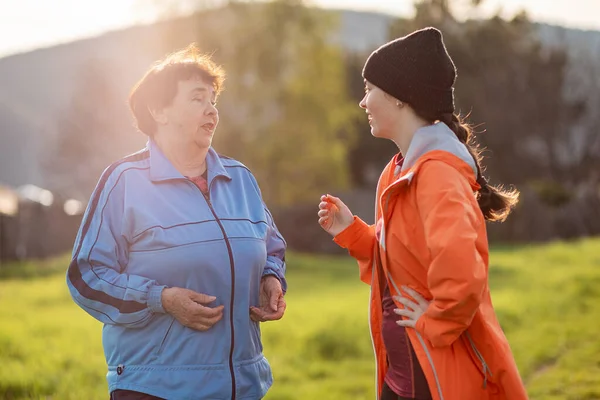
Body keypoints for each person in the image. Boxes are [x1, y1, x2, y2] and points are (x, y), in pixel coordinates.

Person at [66, 44, 287, 400]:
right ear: (159, 110)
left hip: (241, 386)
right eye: (198, 99)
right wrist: (160, 298)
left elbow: (272, 247)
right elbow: (86, 276)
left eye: (214, 100)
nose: (212, 111)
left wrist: (271, 277)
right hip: (153, 387)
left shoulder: (241, 179)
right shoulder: (123, 181)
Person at [317, 27, 528, 400]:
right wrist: (350, 230)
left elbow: (464, 272)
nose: (362, 102)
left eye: (369, 90)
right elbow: (399, 263)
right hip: (399, 375)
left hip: (435, 377)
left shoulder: (437, 175)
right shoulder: (397, 170)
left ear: (400, 98)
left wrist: (435, 319)